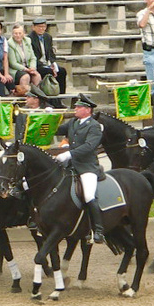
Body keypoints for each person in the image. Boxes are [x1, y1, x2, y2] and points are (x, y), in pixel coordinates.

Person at [55, 95, 107, 243]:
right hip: (71, 165)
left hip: (87, 166)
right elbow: (57, 130)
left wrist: (69, 153)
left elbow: (90, 146)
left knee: (89, 195)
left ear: (87, 110)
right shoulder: (73, 122)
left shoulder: (94, 126)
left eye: (78, 107)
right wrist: (49, 115)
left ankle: (98, 230)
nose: (75, 109)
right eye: (76, 107)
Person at [30, 18, 67, 94]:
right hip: (37, 64)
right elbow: (32, 57)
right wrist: (47, 67)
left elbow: (51, 53)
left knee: (62, 71)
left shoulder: (48, 37)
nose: (41, 28)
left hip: (48, 63)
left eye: (43, 26)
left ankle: (60, 96)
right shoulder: (29, 38)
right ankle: (49, 96)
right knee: (48, 72)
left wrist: (53, 64)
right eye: (39, 26)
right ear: (33, 27)